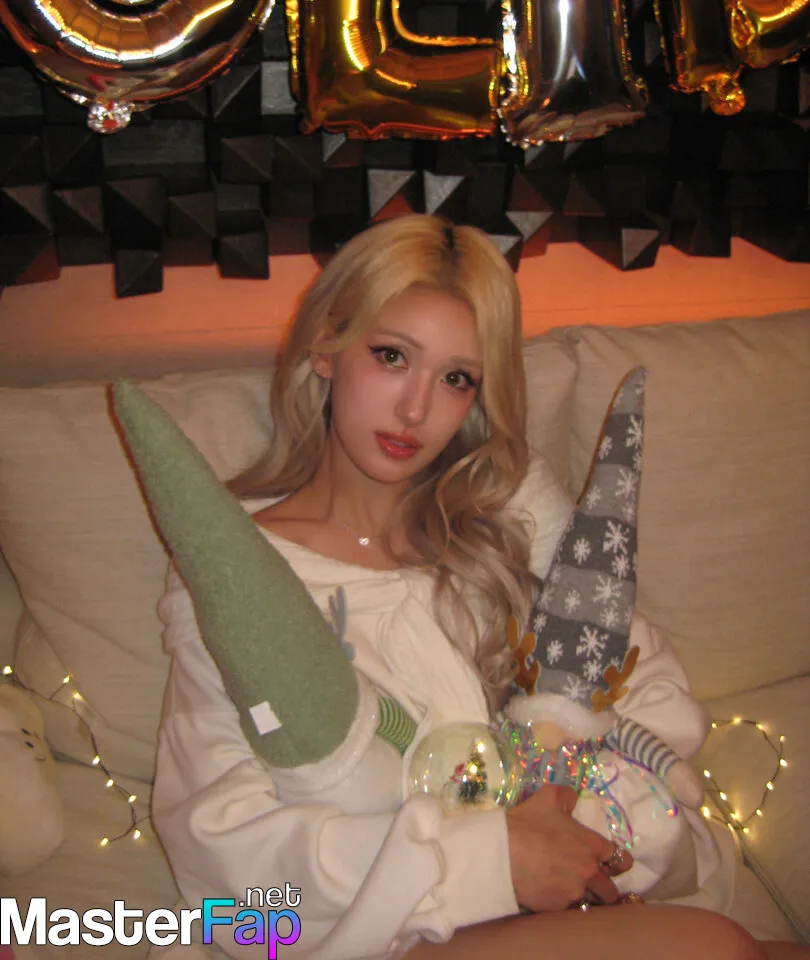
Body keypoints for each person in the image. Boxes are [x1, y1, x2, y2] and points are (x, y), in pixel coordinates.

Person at [151, 215, 807, 960]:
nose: (415, 410)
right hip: (376, 940)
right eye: (392, 356)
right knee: (717, 947)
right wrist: (491, 860)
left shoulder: (507, 513)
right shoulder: (239, 569)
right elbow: (225, 861)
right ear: (327, 348)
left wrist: (566, 815)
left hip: (557, 913)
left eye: (455, 378)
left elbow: (643, 693)